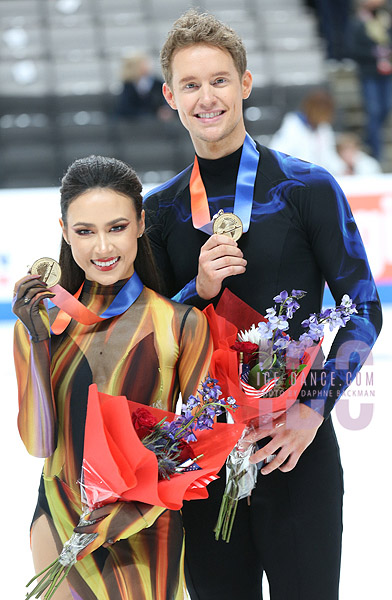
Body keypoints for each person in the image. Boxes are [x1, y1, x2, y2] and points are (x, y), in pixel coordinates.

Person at [144, 10, 382, 600]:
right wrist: (193, 291)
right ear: (171, 95)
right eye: (191, 84)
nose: (208, 97)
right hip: (199, 456)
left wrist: (312, 410)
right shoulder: (162, 211)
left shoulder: (307, 188)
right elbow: (147, 337)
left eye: (220, 80)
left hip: (293, 450)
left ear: (245, 84)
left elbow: (363, 308)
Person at [13, 155, 212, 600]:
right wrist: (38, 343)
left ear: (141, 224)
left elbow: (202, 442)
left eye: (116, 228)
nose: (102, 248)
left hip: (144, 523)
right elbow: (39, 444)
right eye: (85, 231)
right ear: (64, 232)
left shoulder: (180, 325)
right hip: (61, 517)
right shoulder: (40, 323)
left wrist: (132, 510)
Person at [347, 0, 392, 160]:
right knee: (373, 111)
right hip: (368, 72)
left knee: (386, 108)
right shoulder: (358, 21)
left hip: (386, 73)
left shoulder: (386, 18)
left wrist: (386, 53)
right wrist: (375, 53)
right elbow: (353, 48)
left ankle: (368, 140)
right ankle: (376, 153)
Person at [269, 88, 346, 176]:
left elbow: (329, 156)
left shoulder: (324, 128)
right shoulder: (293, 125)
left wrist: (342, 169)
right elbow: (277, 155)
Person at [115, 53, 173, 121]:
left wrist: (165, 109)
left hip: (157, 120)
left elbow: (165, 99)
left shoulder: (156, 83)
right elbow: (125, 106)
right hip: (136, 121)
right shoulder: (129, 85)